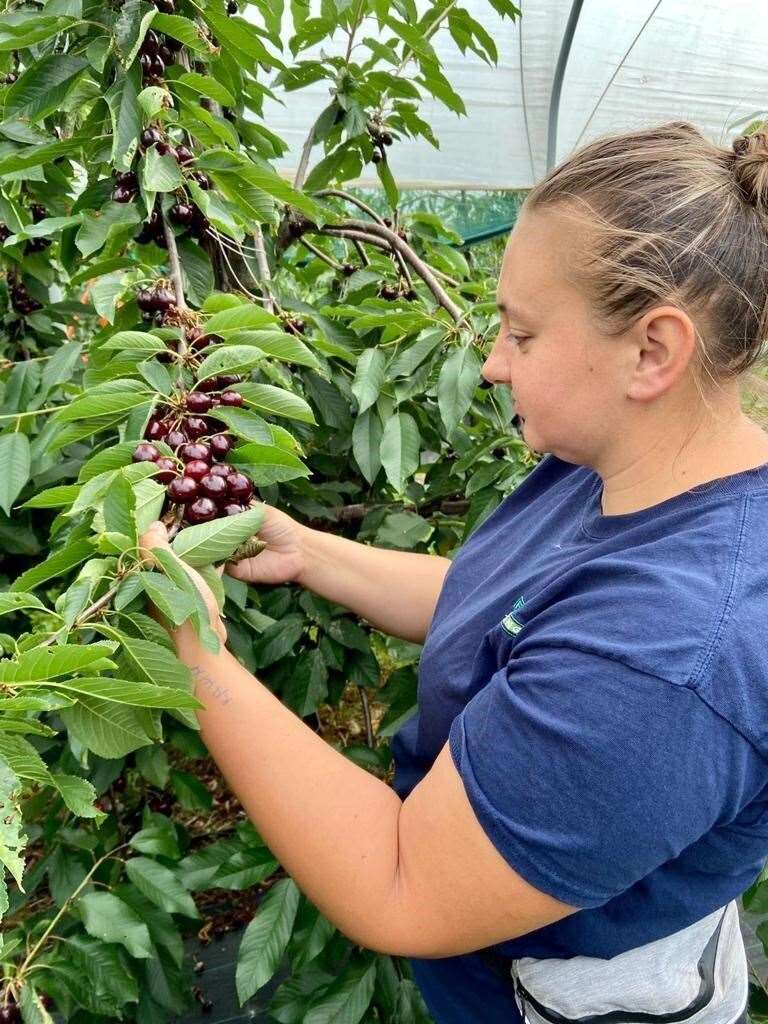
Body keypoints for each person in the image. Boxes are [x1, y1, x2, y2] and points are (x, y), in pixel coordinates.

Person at [138, 120, 768, 1023]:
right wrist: (310, 553)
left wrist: (194, 653)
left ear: (653, 352)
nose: (492, 362)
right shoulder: (615, 462)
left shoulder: (666, 662)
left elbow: (402, 881)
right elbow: (517, 616)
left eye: (522, 333)